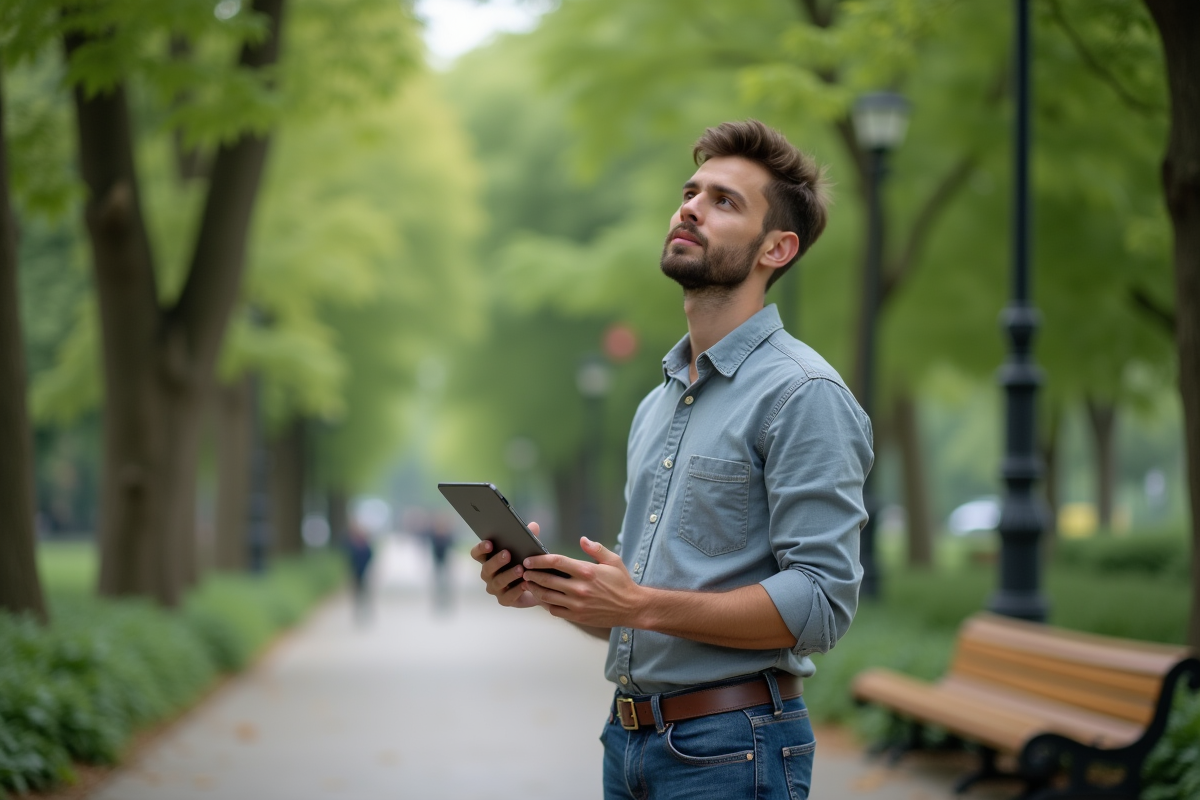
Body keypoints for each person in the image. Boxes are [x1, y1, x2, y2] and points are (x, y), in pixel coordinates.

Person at [471, 120, 873, 800]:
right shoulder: (657, 403)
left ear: (778, 248)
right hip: (628, 743)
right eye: (690, 192)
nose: (690, 207)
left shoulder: (804, 394)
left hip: (734, 748)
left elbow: (822, 601)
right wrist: (554, 594)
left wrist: (644, 605)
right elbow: (639, 613)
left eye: (724, 201)